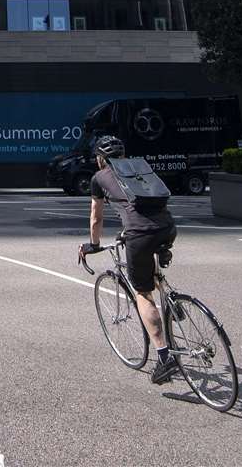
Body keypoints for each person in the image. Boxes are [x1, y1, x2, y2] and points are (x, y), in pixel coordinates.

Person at [78, 134, 181, 385]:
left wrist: (93, 245)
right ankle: (171, 301)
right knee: (151, 270)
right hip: (167, 227)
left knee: (143, 294)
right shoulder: (140, 168)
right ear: (123, 156)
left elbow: (96, 217)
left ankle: (164, 357)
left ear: (101, 159)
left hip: (140, 235)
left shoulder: (99, 178)